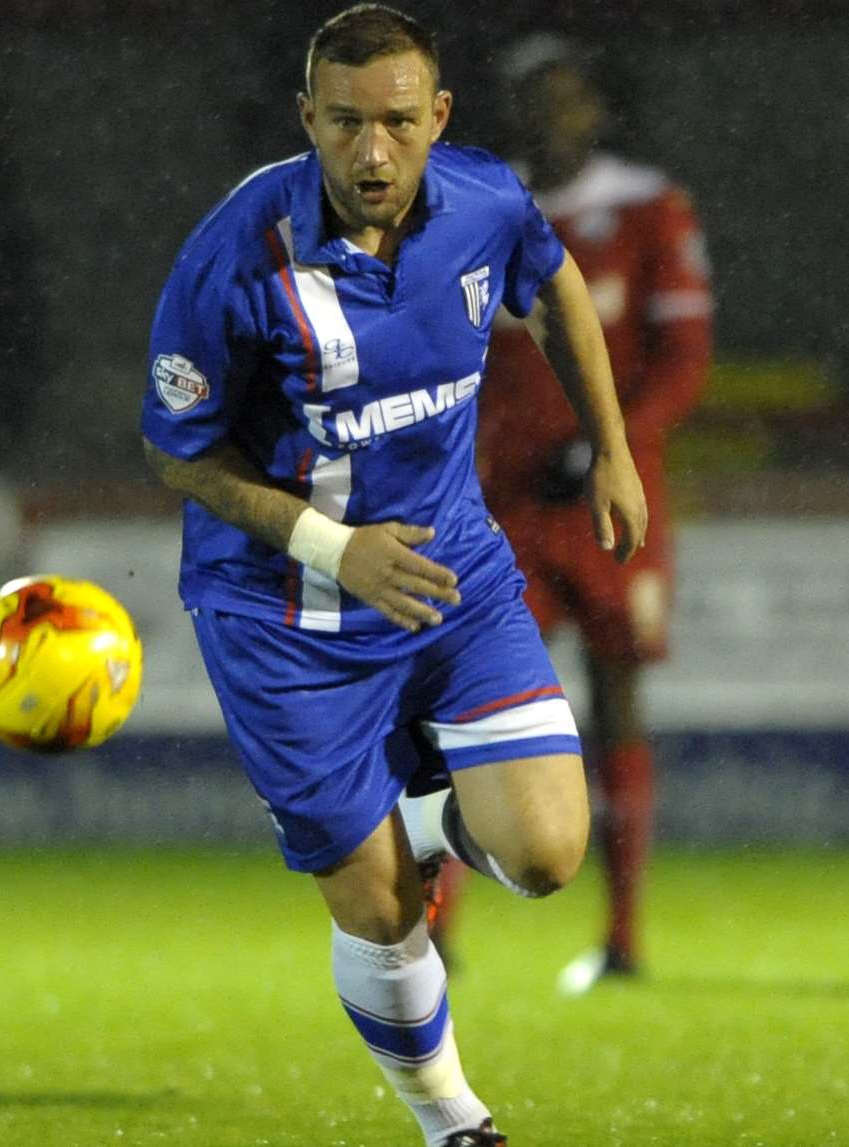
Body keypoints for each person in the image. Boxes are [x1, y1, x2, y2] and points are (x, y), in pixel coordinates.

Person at [140, 6, 647, 1145]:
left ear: (439, 118)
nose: (372, 152)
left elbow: (554, 283)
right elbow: (178, 451)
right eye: (346, 124)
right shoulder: (234, 254)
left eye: (398, 123)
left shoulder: (480, 201)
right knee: (381, 909)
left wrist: (609, 444)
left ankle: (397, 820)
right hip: (282, 618)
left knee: (544, 854)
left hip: (445, 576)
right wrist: (334, 549)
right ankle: (451, 1120)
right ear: (306, 119)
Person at [429, 34, 714, 995]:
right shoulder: (474, 208)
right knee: (467, 702)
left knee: (615, 702)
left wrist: (608, 446)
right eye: (530, 101)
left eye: (566, 99)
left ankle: (624, 937)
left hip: (611, 507)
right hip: (501, 509)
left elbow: (683, 361)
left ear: (594, 110)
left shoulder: (647, 208)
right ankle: (437, 933)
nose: (550, 117)